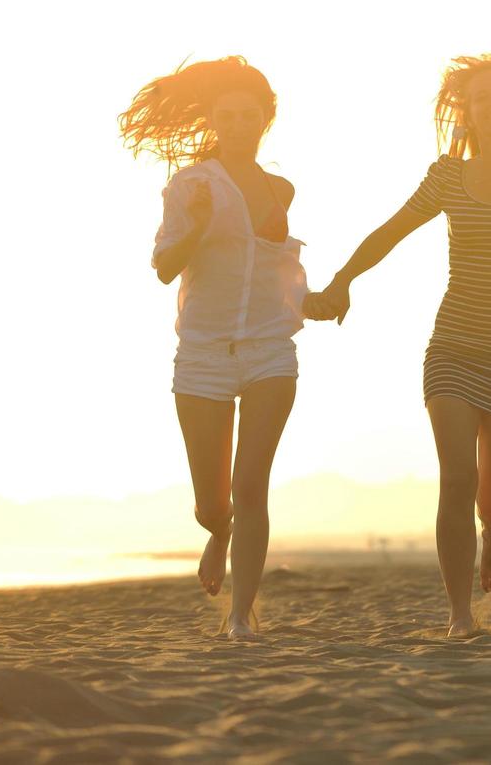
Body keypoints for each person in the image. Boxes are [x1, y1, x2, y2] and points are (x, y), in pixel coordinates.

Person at [303, 53, 491, 638]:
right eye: (481, 98)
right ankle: (459, 615)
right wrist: (342, 280)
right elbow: (391, 231)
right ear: (470, 115)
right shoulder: (448, 177)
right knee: (456, 477)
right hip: (455, 345)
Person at [120, 56, 306, 640]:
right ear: (214, 120)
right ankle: (217, 533)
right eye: (226, 116)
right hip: (202, 351)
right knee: (212, 502)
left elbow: (277, 268)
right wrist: (197, 225)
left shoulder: (282, 188)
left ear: (264, 121)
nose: (237, 124)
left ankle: (240, 615)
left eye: (248, 116)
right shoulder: (191, 185)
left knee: (252, 485)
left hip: (270, 349)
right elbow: (163, 268)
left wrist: (315, 300)